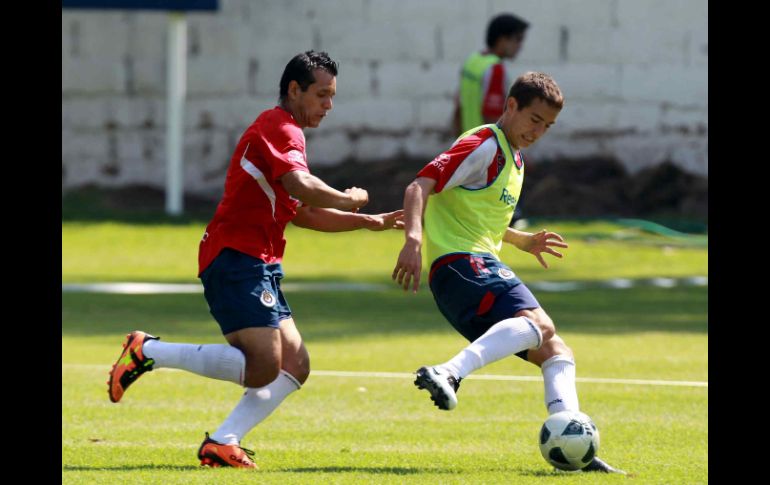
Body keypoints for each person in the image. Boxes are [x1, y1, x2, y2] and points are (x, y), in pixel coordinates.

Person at [107, 50, 403, 469]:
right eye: (321, 95)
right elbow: (304, 186)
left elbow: (304, 213)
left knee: (295, 364)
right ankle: (149, 350)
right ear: (294, 89)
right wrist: (348, 198)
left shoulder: (285, 136)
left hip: (259, 263)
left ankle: (223, 441)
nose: (328, 106)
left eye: (332, 96)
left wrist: (366, 221)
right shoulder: (278, 127)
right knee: (265, 367)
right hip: (234, 258)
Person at [393, 72, 625, 474]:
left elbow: (475, 215)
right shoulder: (484, 145)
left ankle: (573, 444)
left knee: (556, 353)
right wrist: (413, 240)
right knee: (539, 324)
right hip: (461, 265)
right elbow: (420, 185)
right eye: (534, 119)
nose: (539, 131)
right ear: (511, 106)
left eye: (548, 126)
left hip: (472, 267)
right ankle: (449, 372)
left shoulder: (514, 159)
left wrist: (521, 241)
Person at [453, 13, 531, 227]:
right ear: (503, 39)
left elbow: (459, 105)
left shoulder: (473, 62)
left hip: (467, 141)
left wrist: (459, 139)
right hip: (487, 144)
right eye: (518, 40)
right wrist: (510, 147)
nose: (520, 47)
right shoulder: (495, 68)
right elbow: (492, 112)